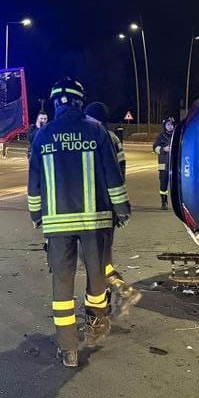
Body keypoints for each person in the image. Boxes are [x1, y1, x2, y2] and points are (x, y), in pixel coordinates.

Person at [28, 78, 131, 368]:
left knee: (61, 284)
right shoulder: (96, 131)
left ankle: (68, 349)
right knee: (97, 277)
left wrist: (37, 215)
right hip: (94, 223)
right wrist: (121, 210)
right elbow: (113, 177)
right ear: (79, 101)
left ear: (54, 103)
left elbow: (34, 184)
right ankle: (96, 323)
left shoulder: (42, 136)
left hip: (57, 226)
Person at [84, 101, 140, 312]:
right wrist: (119, 208)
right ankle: (110, 296)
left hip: (93, 209)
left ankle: (116, 294)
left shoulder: (94, 137)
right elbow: (120, 176)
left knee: (94, 260)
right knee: (102, 257)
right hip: (109, 209)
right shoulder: (113, 138)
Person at [153, 116, 176, 210]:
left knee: (175, 186)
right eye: (168, 124)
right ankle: (164, 202)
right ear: (164, 126)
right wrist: (164, 149)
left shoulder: (176, 135)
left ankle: (176, 204)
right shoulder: (161, 136)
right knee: (163, 185)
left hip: (174, 164)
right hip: (164, 165)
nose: (171, 126)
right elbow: (155, 148)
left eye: (172, 124)